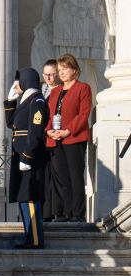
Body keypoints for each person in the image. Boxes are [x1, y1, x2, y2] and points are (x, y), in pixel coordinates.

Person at [44, 53, 91, 223]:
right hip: (55, 139)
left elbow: (83, 114)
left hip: (74, 138)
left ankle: (77, 214)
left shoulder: (83, 88)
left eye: (65, 69)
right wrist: (48, 130)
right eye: (60, 70)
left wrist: (67, 131)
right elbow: (49, 115)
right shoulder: (55, 91)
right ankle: (63, 212)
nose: (62, 73)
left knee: (75, 176)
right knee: (60, 177)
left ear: (74, 70)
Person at [5, 68, 48, 248]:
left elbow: (36, 131)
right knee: (24, 197)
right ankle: (28, 236)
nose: (16, 85)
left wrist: (27, 156)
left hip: (29, 158)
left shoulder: (36, 101)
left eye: (18, 81)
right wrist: (10, 101)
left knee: (30, 197)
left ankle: (35, 239)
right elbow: (11, 123)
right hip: (21, 157)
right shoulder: (25, 100)